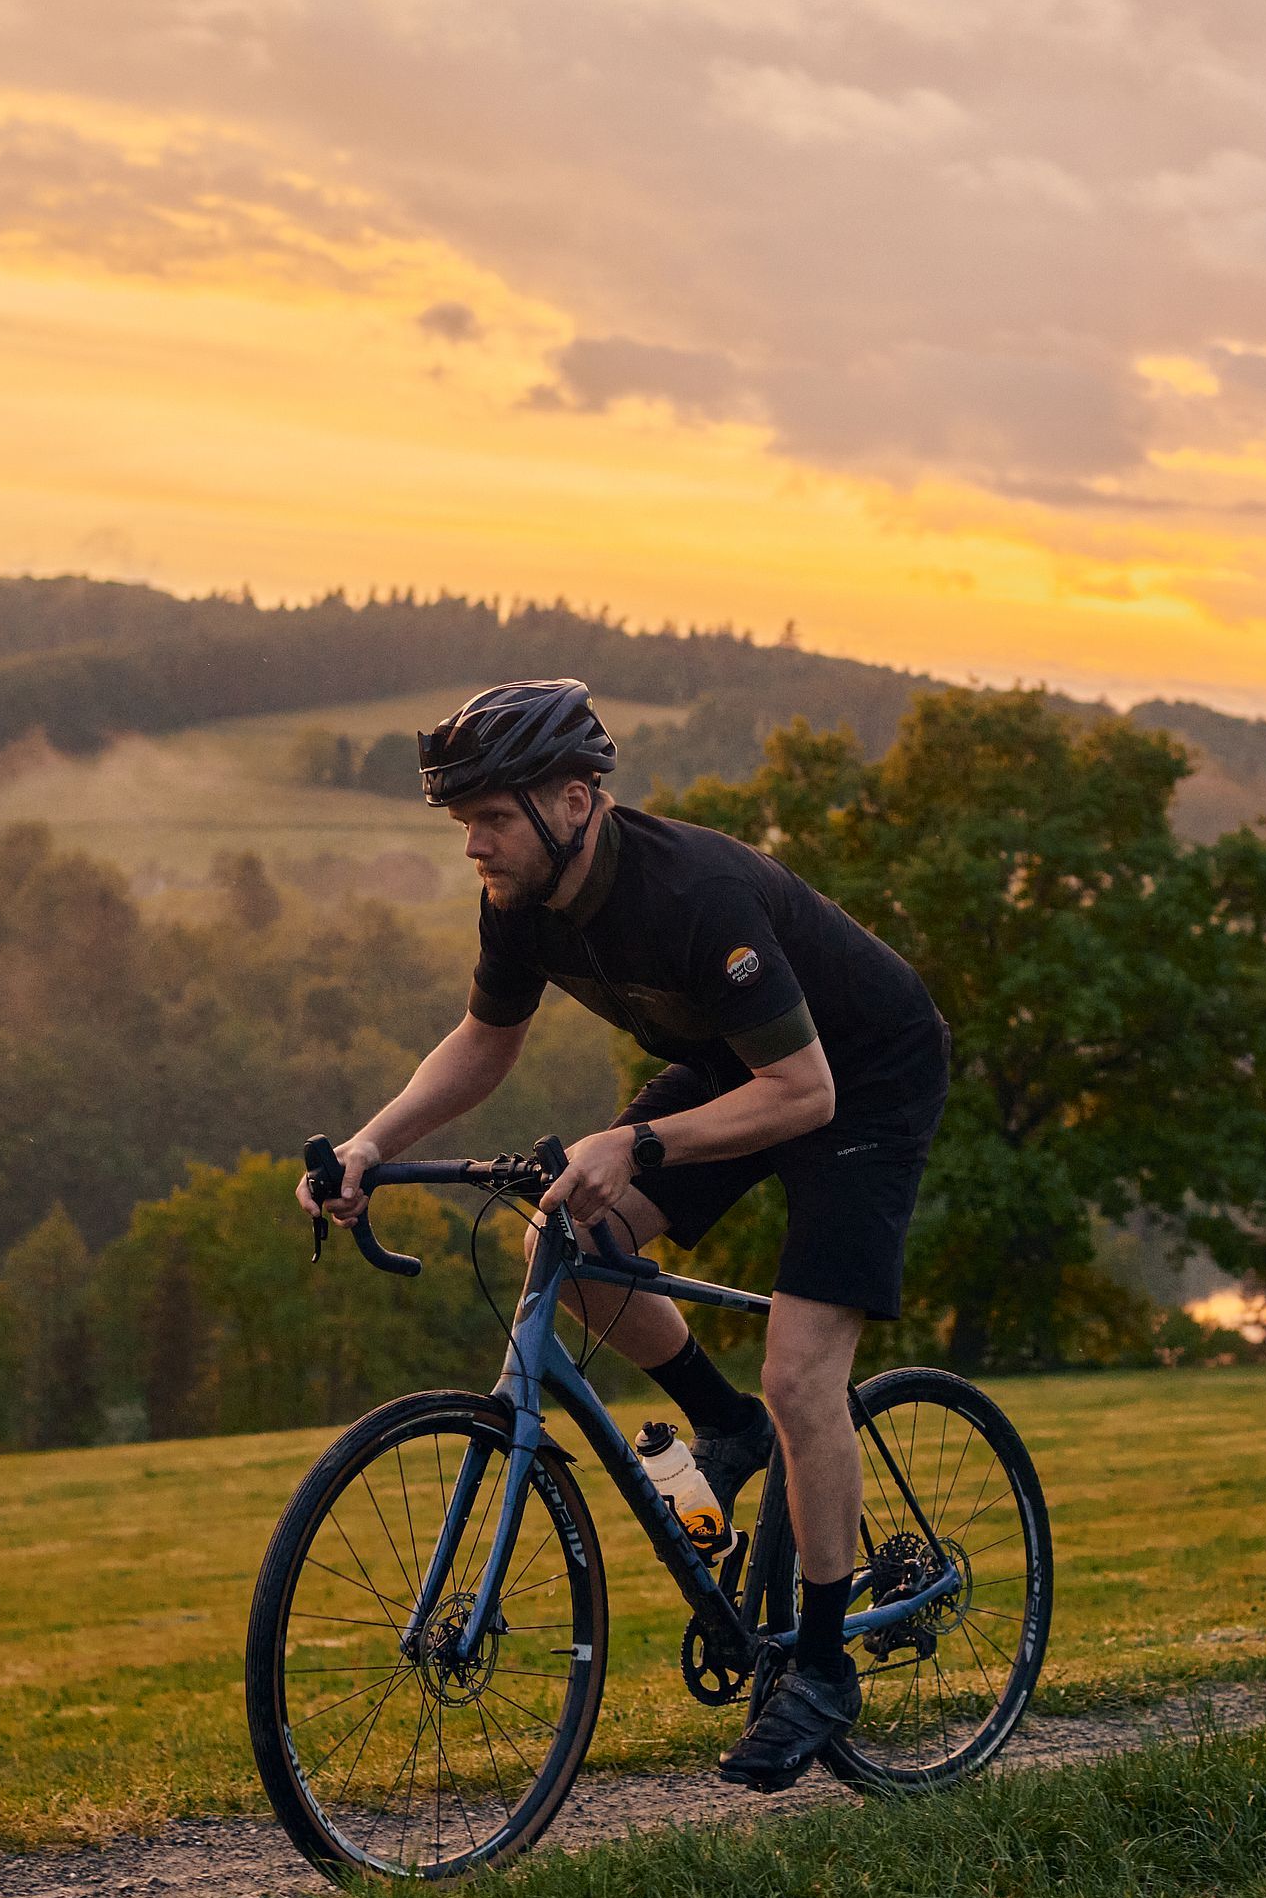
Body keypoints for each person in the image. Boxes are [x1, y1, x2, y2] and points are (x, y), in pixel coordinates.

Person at [297, 677, 950, 1790]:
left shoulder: (692, 895)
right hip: (734, 1066)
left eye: (491, 822)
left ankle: (826, 1665)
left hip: (859, 1082)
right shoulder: (520, 904)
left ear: (575, 799)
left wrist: (636, 1148)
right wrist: (367, 1142)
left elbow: (802, 1092)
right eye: (465, 826)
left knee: (804, 1379)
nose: (475, 849)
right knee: (569, 1242)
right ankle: (719, 1425)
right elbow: (484, 1039)